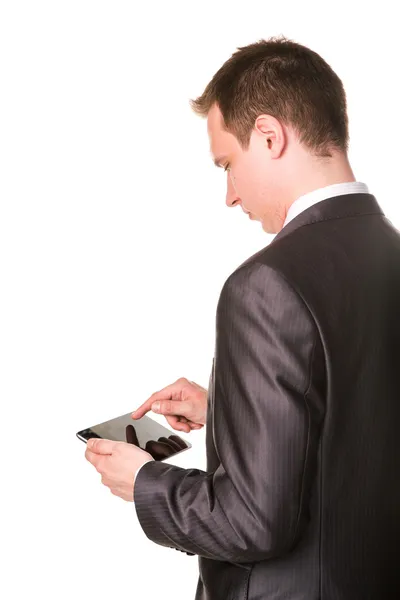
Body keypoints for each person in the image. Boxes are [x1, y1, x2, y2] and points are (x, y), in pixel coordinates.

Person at [85, 35, 400, 599]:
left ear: (270, 136)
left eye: (228, 164)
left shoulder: (265, 283)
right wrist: (231, 410)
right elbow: (366, 428)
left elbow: (253, 522)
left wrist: (144, 481)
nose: (230, 195)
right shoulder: (388, 253)